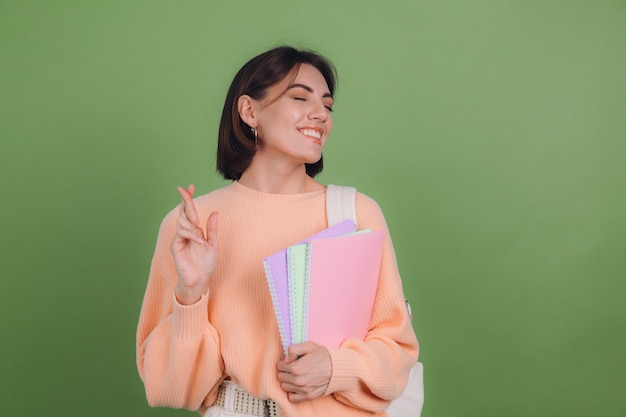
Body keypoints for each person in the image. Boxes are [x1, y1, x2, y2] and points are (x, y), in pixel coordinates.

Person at [136, 45, 419, 417]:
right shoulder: (192, 224)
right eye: (300, 97)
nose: (320, 115)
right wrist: (191, 293)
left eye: (327, 105)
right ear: (250, 111)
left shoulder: (353, 214)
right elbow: (170, 387)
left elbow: (398, 351)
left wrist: (337, 367)